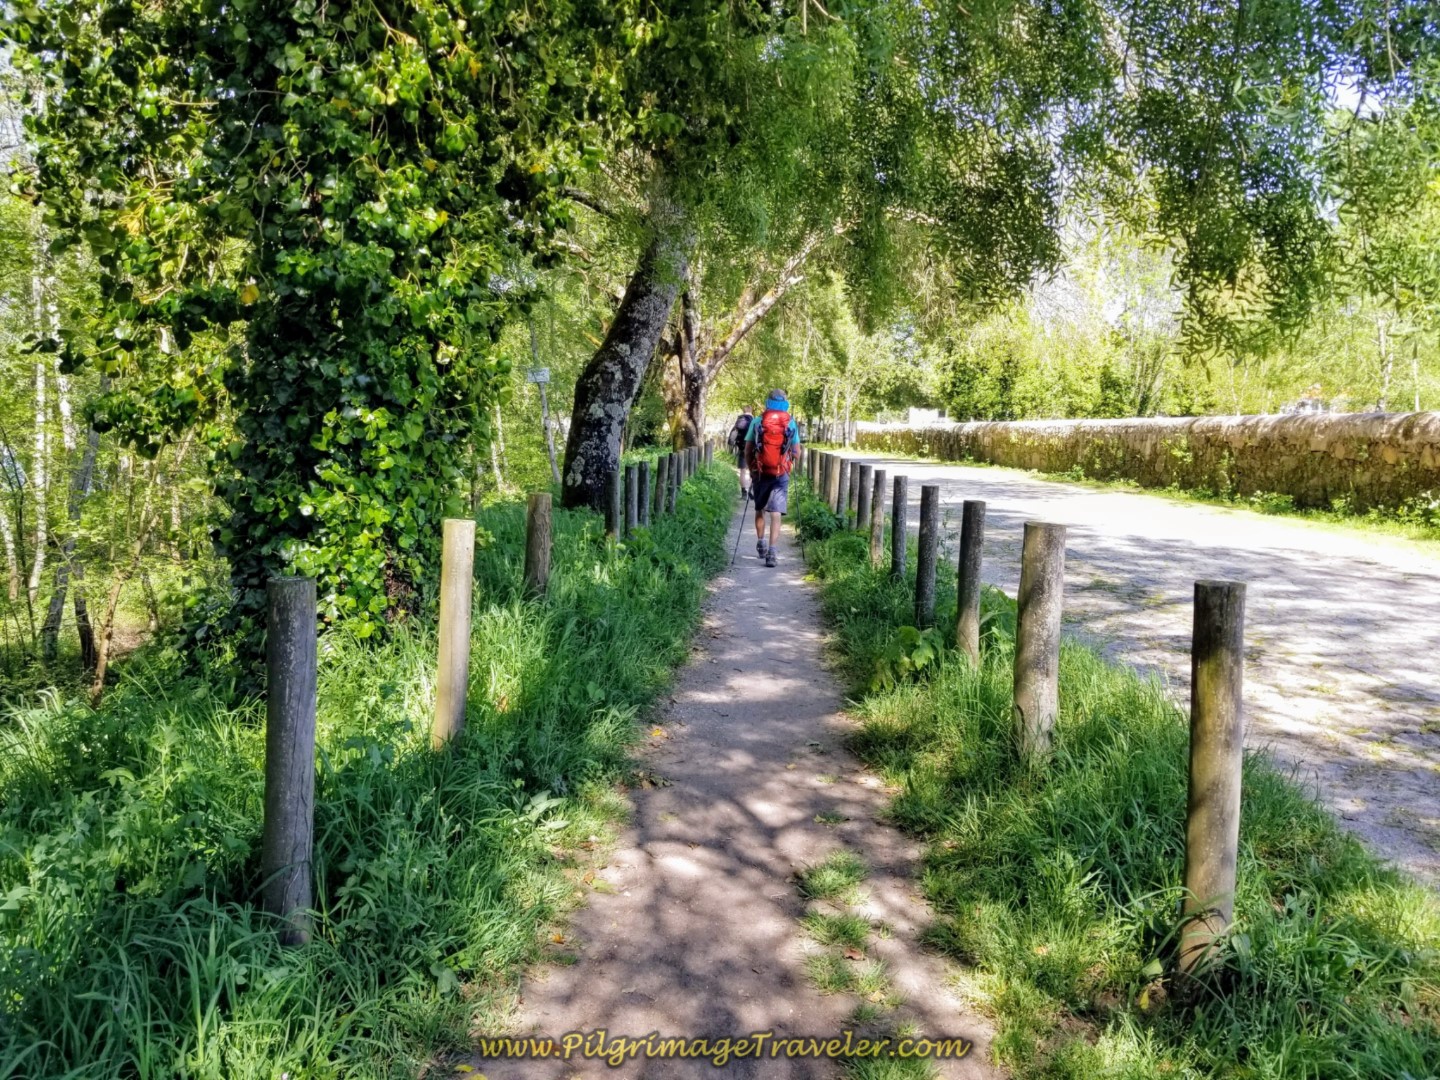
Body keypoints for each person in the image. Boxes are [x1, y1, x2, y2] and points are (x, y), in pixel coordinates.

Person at [744, 389, 801, 567]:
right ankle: (772, 552)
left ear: (767, 402)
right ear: (785, 402)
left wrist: (752, 469)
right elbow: (797, 452)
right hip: (780, 472)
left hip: (760, 471)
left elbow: (747, 450)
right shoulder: (790, 423)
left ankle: (761, 542)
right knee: (776, 513)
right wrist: (789, 462)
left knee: (760, 508)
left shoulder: (757, 421)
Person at [727, 406, 755, 499]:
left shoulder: (739, 420)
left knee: (743, 471)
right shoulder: (755, 421)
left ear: (743, 411)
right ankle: (751, 491)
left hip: (742, 448)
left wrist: (731, 445)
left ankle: (744, 493)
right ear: (751, 411)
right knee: (753, 471)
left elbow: (733, 435)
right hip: (753, 450)